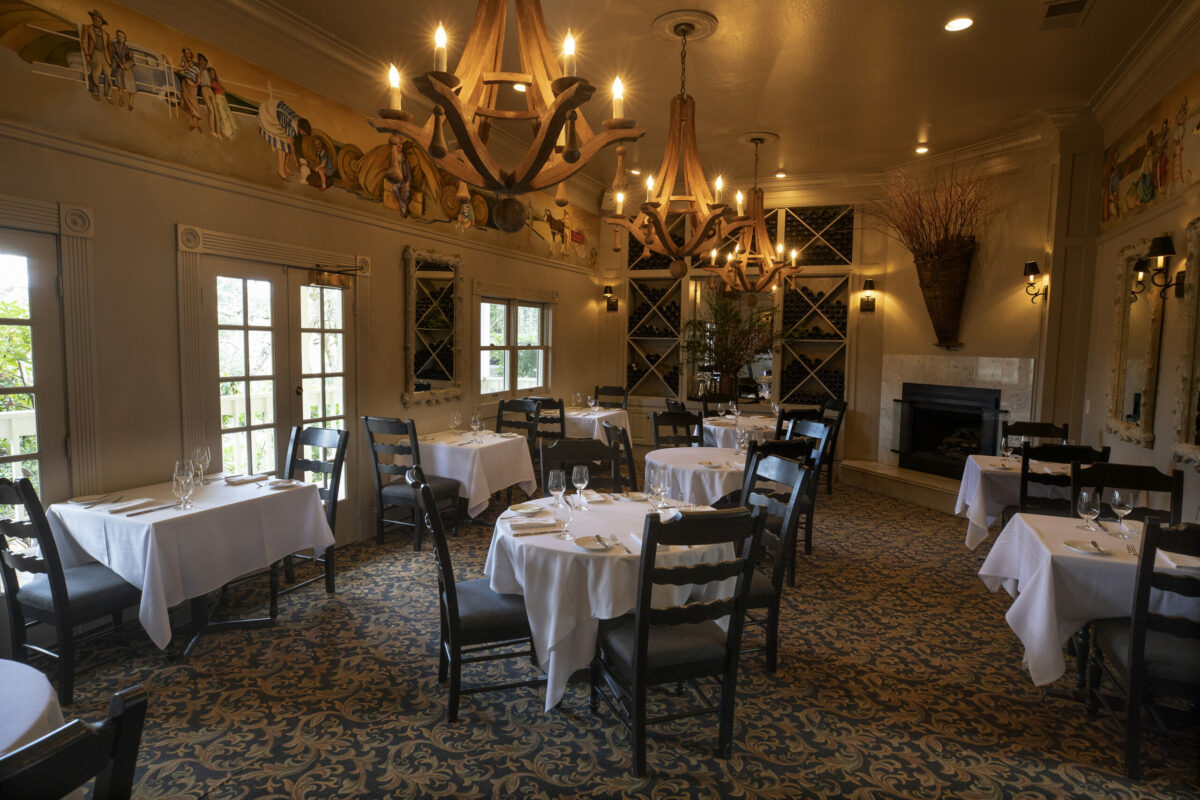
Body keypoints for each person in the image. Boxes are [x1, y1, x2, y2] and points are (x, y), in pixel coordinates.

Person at [257, 94, 311, 180]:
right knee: (282, 145)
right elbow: (292, 147)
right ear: (301, 129)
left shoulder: (299, 121)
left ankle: (285, 166)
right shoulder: (293, 127)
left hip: (277, 112)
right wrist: (296, 163)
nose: (302, 135)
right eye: (303, 134)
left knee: (287, 145)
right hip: (270, 113)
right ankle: (280, 169)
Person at [80, 9, 111, 101]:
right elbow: (84, 40)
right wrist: (87, 54)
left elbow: (108, 48)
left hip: (104, 54)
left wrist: (110, 60)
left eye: (99, 21)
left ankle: (108, 94)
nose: (97, 22)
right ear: (92, 19)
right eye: (95, 19)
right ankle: (96, 92)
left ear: (102, 23)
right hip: (95, 52)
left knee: (107, 74)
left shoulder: (106, 34)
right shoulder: (87, 28)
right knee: (96, 72)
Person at [207, 67, 237, 139]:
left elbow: (223, 88)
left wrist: (223, 89)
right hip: (217, 98)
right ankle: (228, 133)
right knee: (223, 115)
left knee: (228, 113)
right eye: (210, 73)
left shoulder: (216, 81)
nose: (212, 74)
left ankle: (232, 129)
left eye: (213, 73)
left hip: (223, 98)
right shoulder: (210, 82)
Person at [110, 30, 136, 110]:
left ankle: (131, 103)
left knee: (131, 87)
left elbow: (132, 61)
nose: (120, 38)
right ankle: (121, 99)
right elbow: (114, 56)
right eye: (119, 36)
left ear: (124, 39)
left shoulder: (127, 49)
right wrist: (119, 64)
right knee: (120, 86)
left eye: (122, 37)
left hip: (127, 70)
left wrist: (125, 66)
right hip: (119, 69)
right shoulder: (114, 46)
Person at [178, 48, 201, 132]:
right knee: (185, 103)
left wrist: (196, 84)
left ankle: (197, 123)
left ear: (191, 55)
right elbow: (176, 69)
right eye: (186, 53)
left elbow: (199, 78)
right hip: (185, 83)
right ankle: (191, 123)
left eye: (189, 53)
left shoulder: (196, 67)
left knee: (193, 103)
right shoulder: (184, 65)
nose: (188, 55)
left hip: (193, 86)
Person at [196, 53, 217, 136]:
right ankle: (212, 130)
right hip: (204, 88)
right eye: (202, 61)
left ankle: (216, 130)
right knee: (211, 110)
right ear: (199, 61)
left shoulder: (206, 70)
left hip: (210, 89)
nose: (204, 63)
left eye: (205, 62)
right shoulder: (199, 69)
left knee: (215, 110)